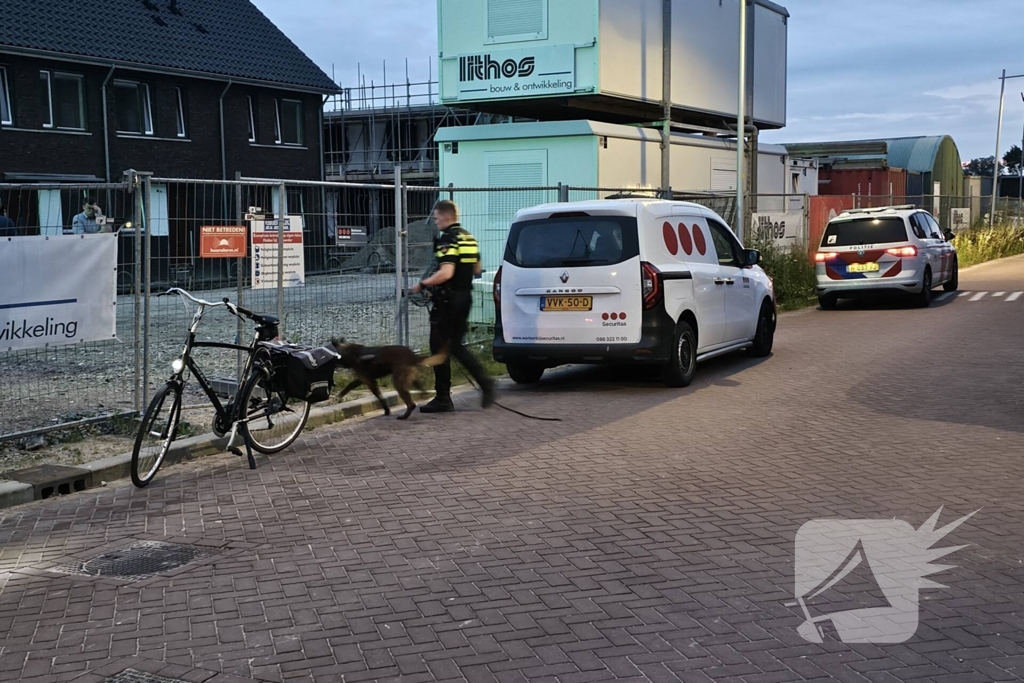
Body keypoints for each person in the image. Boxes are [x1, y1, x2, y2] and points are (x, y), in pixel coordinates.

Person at [409, 200, 495, 413]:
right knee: (455, 346)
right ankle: (484, 383)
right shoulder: (468, 237)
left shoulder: (448, 238)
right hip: (465, 298)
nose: (436, 222)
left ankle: (443, 398)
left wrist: (423, 283)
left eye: (437, 218)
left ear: (446, 217)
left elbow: (446, 272)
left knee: (438, 346)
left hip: (448, 302)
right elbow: (477, 268)